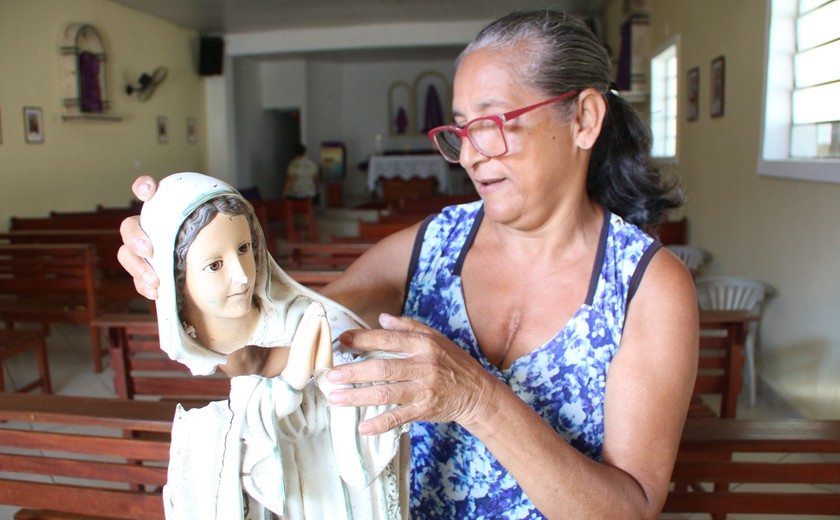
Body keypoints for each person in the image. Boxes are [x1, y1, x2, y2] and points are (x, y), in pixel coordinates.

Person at [119, 10, 698, 519]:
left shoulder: (645, 287)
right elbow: (273, 346)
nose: (470, 155)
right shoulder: (428, 248)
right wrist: (189, 276)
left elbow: (629, 509)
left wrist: (476, 398)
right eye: (460, 129)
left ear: (585, 119)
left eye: (492, 124)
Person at [140, 172, 408, 519]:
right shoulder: (211, 343)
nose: (240, 275)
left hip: (330, 482)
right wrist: (288, 384)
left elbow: (328, 389)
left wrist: (324, 376)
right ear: (179, 281)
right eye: (215, 265)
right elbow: (246, 423)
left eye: (244, 249)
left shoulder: (297, 315)